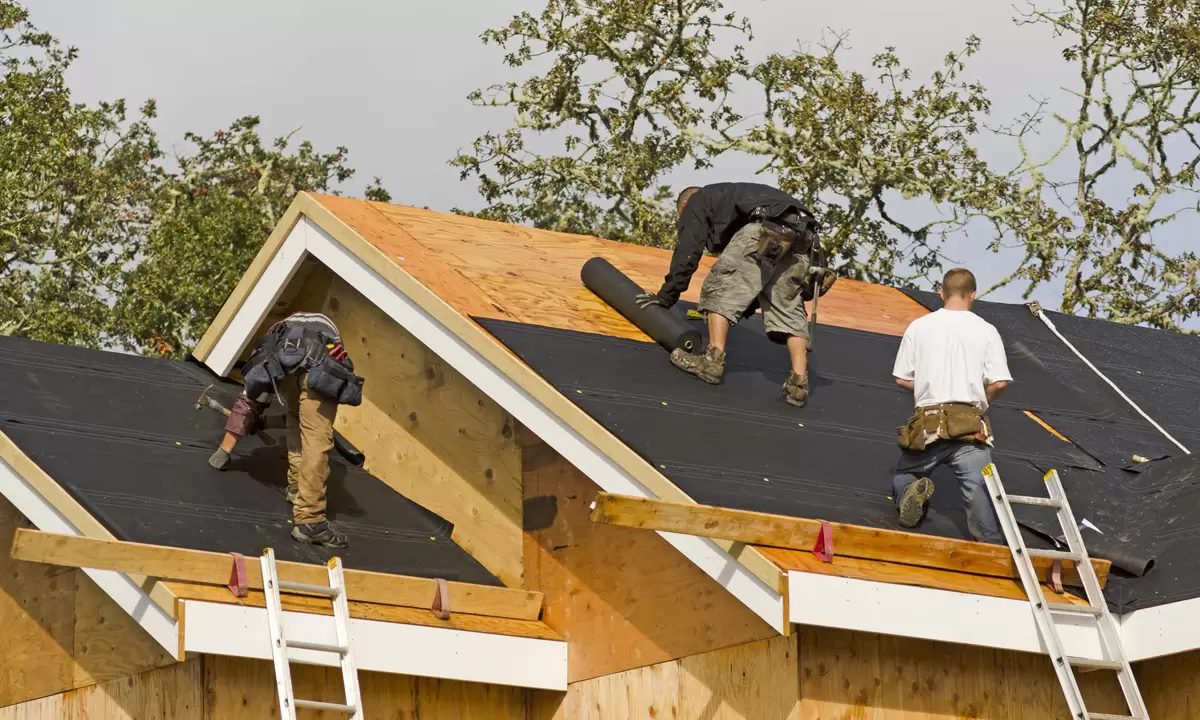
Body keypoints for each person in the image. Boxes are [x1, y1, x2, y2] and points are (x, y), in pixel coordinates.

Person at [635, 183, 835, 407]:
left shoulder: (698, 200)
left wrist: (666, 296)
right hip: (804, 237)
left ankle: (712, 361)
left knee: (720, 287)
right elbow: (754, 278)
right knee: (788, 307)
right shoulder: (739, 198)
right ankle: (799, 385)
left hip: (767, 227)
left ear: (684, 204)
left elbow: (688, 251)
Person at [207, 312, 364, 549]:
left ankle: (295, 488)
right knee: (315, 439)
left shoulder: (274, 347)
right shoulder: (321, 335)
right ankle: (310, 520)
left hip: (295, 366)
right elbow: (308, 423)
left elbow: (249, 402)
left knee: (294, 420)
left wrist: (224, 451)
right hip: (320, 365)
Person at [890, 268, 1012, 543]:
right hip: (969, 422)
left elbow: (901, 378)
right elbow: (1000, 382)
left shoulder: (919, 326)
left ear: (941, 293)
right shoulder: (986, 330)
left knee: (905, 473)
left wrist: (925, 388)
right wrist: (983, 402)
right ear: (973, 296)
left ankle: (910, 490)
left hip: (928, 421)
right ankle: (990, 544)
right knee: (977, 487)